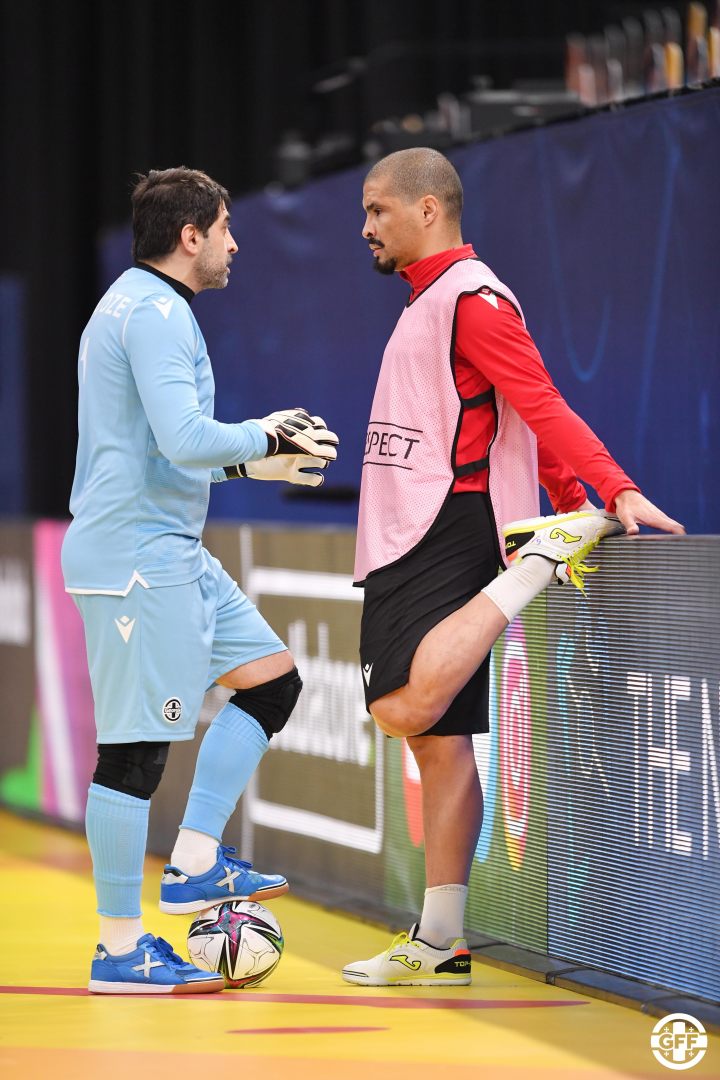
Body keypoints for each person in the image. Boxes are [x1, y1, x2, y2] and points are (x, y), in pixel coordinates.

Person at [342, 148, 684, 987]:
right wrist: (572, 496)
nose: (367, 227)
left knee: (400, 705)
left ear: (428, 209)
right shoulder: (430, 299)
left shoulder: (474, 298)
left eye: (379, 210)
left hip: (442, 529)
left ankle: (535, 565)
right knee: (437, 743)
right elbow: (522, 422)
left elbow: (542, 404)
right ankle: (440, 941)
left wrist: (612, 489)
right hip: (414, 528)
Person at [61, 167, 338, 994]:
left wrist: (249, 465)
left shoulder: (138, 305)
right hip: (136, 560)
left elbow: (158, 450)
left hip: (171, 549)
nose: (234, 244)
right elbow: (184, 438)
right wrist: (266, 435)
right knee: (133, 754)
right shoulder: (153, 313)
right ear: (191, 237)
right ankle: (119, 950)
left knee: (273, 682)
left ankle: (193, 862)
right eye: (224, 229)